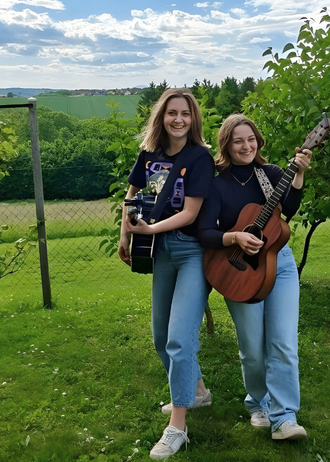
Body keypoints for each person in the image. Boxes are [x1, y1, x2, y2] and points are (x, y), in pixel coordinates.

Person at [197, 113, 310, 440]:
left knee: (284, 342)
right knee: (252, 347)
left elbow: (287, 211)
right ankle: (257, 401)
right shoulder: (216, 183)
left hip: (280, 264)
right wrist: (234, 238)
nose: (246, 146)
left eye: (251, 139)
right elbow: (204, 232)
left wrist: (299, 175)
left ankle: (285, 416)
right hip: (239, 268)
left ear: (258, 141)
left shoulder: (271, 174)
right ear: (226, 144)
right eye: (238, 140)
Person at [119, 87, 215, 459]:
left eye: (185, 114)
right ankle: (198, 392)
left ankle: (178, 427)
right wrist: (124, 234)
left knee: (179, 340)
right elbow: (131, 194)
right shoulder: (149, 155)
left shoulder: (200, 158)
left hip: (191, 253)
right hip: (159, 253)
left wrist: (149, 229)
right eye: (172, 113)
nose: (178, 120)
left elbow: (190, 213)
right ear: (162, 116)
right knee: (161, 338)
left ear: (193, 120)